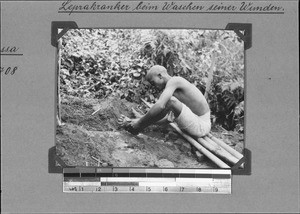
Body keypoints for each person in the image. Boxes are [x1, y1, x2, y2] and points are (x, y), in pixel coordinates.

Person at [118, 65, 211, 138]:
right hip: (195, 123)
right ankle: (137, 124)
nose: (153, 86)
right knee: (168, 103)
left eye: (153, 82)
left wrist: (139, 122)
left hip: (201, 125)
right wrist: (139, 118)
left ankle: (137, 127)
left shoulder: (174, 81)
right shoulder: (172, 90)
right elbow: (167, 119)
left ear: (160, 76)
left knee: (170, 102)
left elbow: (160, 106)